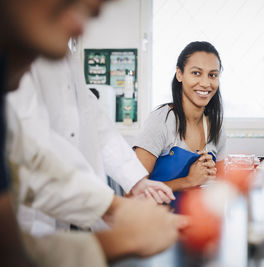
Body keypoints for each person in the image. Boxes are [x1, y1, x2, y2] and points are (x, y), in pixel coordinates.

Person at [0, 0, 184, 266]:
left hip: (76, 210)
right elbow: (29, 165)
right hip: (40, 216)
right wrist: (118, 231)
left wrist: (128, 191)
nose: (94, 12)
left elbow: (88, 120)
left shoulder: (57, 52)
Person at [7, 49, 175, 235]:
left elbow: (95, 121)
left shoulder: (67, 59)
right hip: (30, 219)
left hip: (76, 211)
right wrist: (114, 208)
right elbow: (30, 152)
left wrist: (135, 181)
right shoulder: (16, 54)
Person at [134, 41, 227, 205]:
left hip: (197, 225)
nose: (205, 83)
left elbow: (222, 190)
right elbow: (132, 196)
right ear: (179, 74)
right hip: (155, 225)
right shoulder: (161, 121)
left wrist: (212, 178)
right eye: (196, 73)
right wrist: (188, 181)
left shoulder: (216, 127)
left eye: (212, 75)